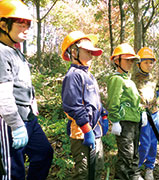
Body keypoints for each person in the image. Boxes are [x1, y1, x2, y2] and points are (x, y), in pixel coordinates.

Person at [0, 0, 54, 179]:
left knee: (44, 153)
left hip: (28, 118)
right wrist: (15, 125)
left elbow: (24, 84)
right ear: (3, 24)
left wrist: (33, 103)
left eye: (28, 24)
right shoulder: (1, 52)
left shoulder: (16, 51)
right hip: (9, 121)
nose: (26, 28)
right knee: (13, 170)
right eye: (20, 24)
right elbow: (3, 95)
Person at [61, 31, 109, 180]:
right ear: (74, 52)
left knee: (97, 168)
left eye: (92, 52)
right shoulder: (73, 75)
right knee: (83, 172)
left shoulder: (89, 75)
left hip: (96, 132)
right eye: (87, 52)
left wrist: (104, 115)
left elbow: (95, 101)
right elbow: (72, 106)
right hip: (81, 133)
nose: (91, 56)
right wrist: (86, 129)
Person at [106, 43, 142, 180]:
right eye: (127, 60)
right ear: (117, 61)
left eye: (132, 60)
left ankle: (134, 177)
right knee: (126, 156)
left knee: (134, 155)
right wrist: (115, 121)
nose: (130, 63)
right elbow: (113, 101)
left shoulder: (128, 80)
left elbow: (134, 101)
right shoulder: (116, 79)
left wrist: (141, 113)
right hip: (124, 122)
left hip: (134, 121)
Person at [131, 47, 159, 180]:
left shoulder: (154, 78)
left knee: (153, 142)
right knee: (144, 143)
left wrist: (155, 96)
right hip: (142, 115)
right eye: (146, 62)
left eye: (151, 62)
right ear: (139, 63)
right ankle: (137, 168)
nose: (149, 65)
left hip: (155, 113)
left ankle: (149, 167)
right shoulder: (134, 78)